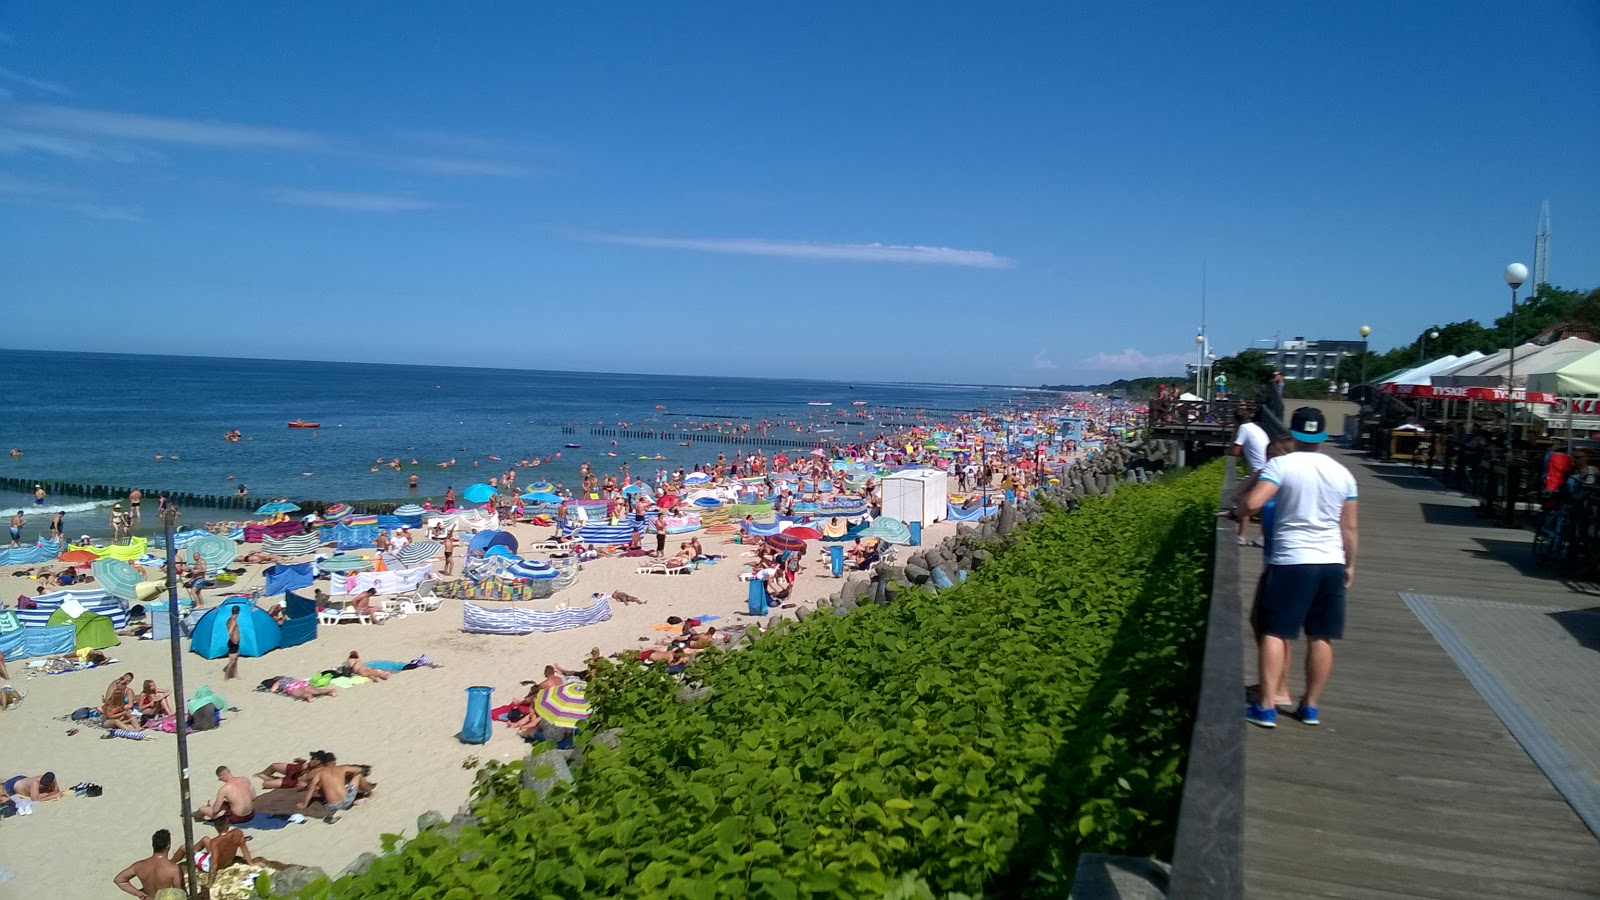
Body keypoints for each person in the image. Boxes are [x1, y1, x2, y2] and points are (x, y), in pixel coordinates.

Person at [1242, 407, 1359, 729]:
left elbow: (1253, 504)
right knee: (1321, 636)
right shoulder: (1343, 473)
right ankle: (1310, 706)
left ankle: (1266, 707)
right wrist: (1350, 565)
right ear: (1321, 436)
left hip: (1293, 560)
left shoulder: (1282, 464)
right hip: (1331, 561)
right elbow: (1349, 528)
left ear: (1292, 434)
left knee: (1275, 632)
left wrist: (1240, 506)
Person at [1228, 410, 1271, 546]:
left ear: (1236, 421)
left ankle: (1241, 535)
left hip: (1259, 470)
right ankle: (1261, 537)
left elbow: (1235, 451)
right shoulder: (1255, 428)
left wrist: (1233, 436)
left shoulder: (1243, 428)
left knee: (1245, 501)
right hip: (1266, 468)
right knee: (1264, 505)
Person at [114, 829, 187, 900]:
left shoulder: (139, 866)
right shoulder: (173, 869)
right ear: (168, 845)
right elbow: (179, 893)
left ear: (153, 845)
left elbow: (119, 880)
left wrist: (139, 894)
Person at [185, 815, 253, 886]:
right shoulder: (237, 832)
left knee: (183, 848)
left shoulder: (215, 842)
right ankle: (193, 855)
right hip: (228, 860)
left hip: (211, 865)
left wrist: (210, 883)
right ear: (228, 825)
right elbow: (244, 849)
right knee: (205, 839)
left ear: (216, 827)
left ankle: (174, 861)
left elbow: (214, 865)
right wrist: (251, 863)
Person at [299, 763, 374, 815]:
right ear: (334, 762)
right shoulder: (342, 768)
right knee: (358, 776)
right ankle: (370, 792)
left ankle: (354, 802)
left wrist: (304, 805)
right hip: (346, 801)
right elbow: (358, 770)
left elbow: (311, 789)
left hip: (331, 806)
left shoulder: (319, 773)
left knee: (320, 788)